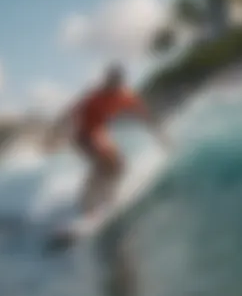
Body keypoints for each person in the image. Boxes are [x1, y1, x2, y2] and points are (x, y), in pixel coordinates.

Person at [44, 63, 170, 216]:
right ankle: (88, 203)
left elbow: (146, 117)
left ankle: (105, 199)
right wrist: (55, 137)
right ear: (106, 80)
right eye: (109, 82)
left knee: (119, 166)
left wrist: (161, 136)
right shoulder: (95, 96)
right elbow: (69, 113)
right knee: (104, 164)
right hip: (82, 135)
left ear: (119, 83)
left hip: (98, 133)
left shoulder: (126, 97)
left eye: (114, 82)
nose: (110, 86)